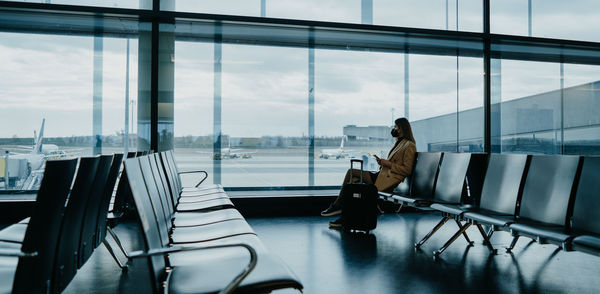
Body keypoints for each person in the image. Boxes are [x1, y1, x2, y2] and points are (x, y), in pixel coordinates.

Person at [321, 117, 417, 228]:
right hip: (382, 176)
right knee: (354, 182)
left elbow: (407, 169)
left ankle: (338, 205)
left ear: (401, 129)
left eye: (395, 127)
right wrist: (383, 163)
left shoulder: (409, 145)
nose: (394, 129)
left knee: (351, 172)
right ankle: (346, 217)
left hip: (387, 181)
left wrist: (388, 164)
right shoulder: (399, 143)